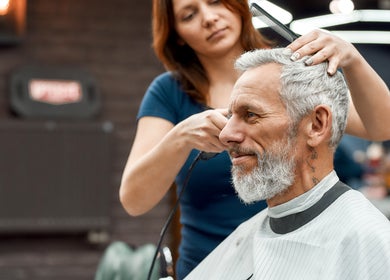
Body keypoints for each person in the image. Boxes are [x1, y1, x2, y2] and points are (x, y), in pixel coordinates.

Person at [119, 0, 390, 278]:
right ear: (177, 34)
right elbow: (134, 200)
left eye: (215, 1)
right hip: (212, 265)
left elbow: (382, 126)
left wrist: (352, 59)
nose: (209, 18)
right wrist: (180, 138)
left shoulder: (289, 72)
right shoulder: (169, 93)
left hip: (299, 260)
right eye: (189, 15)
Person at [185, 47, 390, 280]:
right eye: (230, 116)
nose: (225, 135)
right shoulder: (249, 232)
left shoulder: (364, 239)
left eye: (250, 114)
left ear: (316, 125)